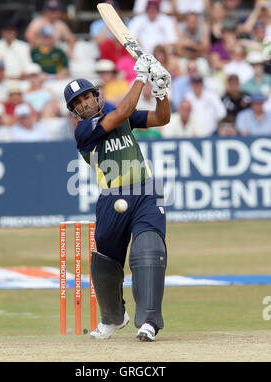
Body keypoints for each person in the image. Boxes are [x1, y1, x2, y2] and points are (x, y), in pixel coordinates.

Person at [63, 53, 171, 341]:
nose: (84, 104)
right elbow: (122, 113)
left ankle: (148, 322)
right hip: (111, 199)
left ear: (96, 95)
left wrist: (160, 92)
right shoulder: (84, 131)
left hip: (146, 191)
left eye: (86, 97)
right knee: (104, 263)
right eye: (77, 103)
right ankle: (113, 317)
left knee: (148, 251)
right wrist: (140, 77)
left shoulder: (117, 111)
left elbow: (162, 118)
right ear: (74, 112)